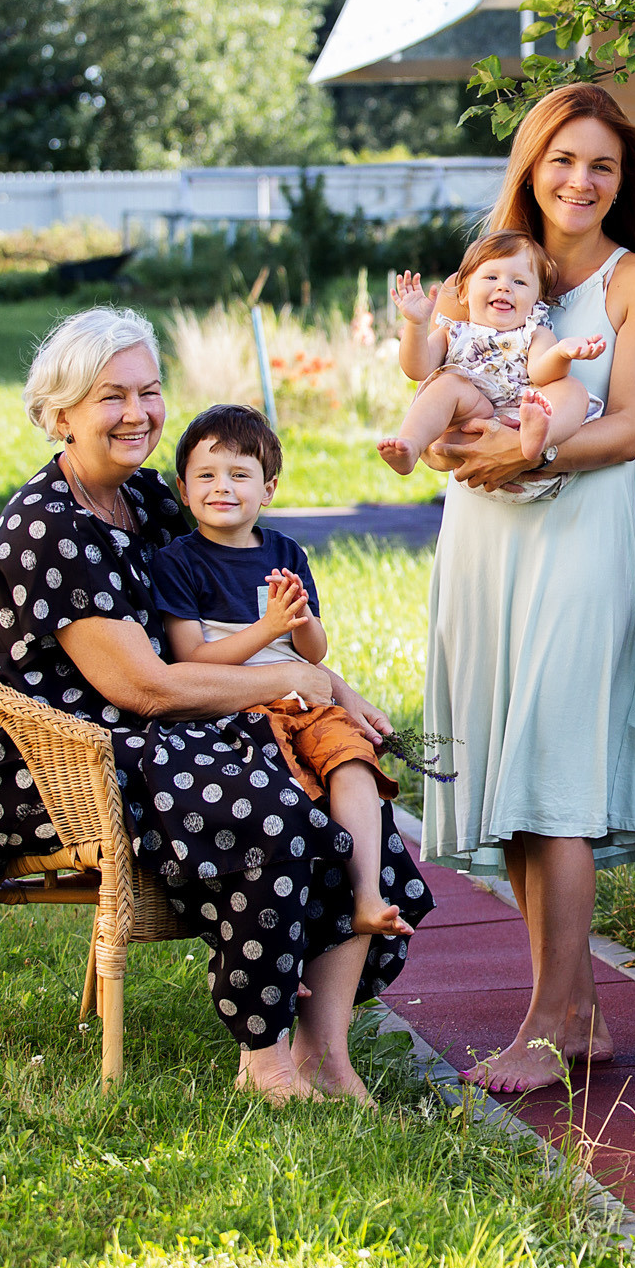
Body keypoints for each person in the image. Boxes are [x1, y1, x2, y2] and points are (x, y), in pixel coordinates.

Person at [0, 308, 432, 1104]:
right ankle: (264, 1057)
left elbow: (226, 614)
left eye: (149, 391)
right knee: (270, 812)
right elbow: (141, 685)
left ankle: (326, 1049)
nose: (138, 412)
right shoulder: (47, 526)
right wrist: (289, 687)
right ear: (60, 413)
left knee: (341, 784)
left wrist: (331, 690)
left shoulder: (150, 498)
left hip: (162, 727)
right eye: (110, 395)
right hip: (60, 754)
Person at [417, 82, 635, 1093]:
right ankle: (577, 1011)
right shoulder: (483, 272)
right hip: (486, 537)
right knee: (514, 781)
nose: (580, 179)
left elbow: (630, 426)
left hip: (582, 527)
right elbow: (439, 400)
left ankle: (544, 1025)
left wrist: (534, 457)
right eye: (563, 159)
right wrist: (451, 449)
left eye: (602, 165)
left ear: (624, 179)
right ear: (531, 163)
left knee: (554, 771)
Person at [157, 403, 411, 943]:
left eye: (239, 475)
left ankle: (367, 896)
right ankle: (277, 937)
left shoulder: (285, 551)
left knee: (352, 763)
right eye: (206, 475)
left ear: (268, 489)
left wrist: (299, 622)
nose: (221, 487)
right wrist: (267, 625)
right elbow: (191, 660)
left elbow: (313, 652)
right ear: (183, 489)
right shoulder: (178, 562)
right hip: (236, 706)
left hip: (306, 697)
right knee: (283, 797)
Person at [377, 232, 607, 500]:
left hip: (523, 437)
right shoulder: (452, 332)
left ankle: (540, 437)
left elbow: (541, 372)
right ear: (463, 291)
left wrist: (562, 353)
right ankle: (410, 445)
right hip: (474, 435)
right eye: (491, 277)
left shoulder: (534, 332)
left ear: (536, 302)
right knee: (447, 385)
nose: (504, 287)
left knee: (571, 389)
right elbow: (418, 368)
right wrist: (416, 325)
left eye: (519, 281)